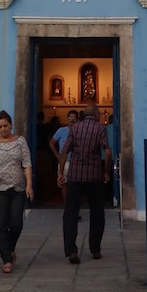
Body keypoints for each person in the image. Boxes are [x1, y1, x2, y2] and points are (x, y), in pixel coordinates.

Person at [58, 102, 111, 264]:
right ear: (96, 115)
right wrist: (106, 172)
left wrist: (61, 172)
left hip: (75, 177)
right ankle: (95, 249)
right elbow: (107, 152)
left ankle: (71, 251)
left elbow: (64, 151)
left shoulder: (74, 128)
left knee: (71, 213)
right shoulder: (100, 129)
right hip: (94, 177)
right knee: (97, 213)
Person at [0, 110, 33, 273]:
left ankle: (10, 248)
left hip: (17, 189)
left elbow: (26, 163)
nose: (3, 129)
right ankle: (6, 258)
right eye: (0, 127)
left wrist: (29, 185)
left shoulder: (20, 142)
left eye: (6, 125)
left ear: (11, 125)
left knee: (16, 223)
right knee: (2, 225)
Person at [49, 109, 79, 204]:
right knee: (64, 185)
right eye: (70, 117)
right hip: (64, 162)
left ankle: (74, 209)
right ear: (67, 118)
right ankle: (67, 207)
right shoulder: (61, 130)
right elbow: (51, 143)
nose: (72, 119)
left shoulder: (79, 131)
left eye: (74, 117)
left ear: (77, 119)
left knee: (75, 187)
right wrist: (57, 155)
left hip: (76, 162)